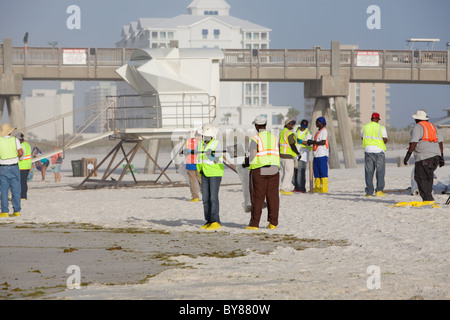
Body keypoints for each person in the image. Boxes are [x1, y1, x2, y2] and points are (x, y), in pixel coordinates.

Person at [403, 109, 444, 206]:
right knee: (428, 177)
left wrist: (407, 156)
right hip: (435, 156)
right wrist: (441, 156)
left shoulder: (417, 127)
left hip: (424, 157)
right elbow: (440, 141)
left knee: (420, 177)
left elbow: (414, 142)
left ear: (416, 119)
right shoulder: (433, 127)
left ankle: (427, 199)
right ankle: (428, 197)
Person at [246, 115, 280, 230]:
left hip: (260, 168)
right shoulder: (274, 137)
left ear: (256, 126)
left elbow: (253, 155)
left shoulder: (255, 139)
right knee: (273, 196)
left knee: (258, 196)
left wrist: (246, 162)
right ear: (265, 125)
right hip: (274, 168)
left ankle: (254, 224)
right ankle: (273, 223)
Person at [197, 124, 224, 231]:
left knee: (213, 198)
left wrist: (210, 155)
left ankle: (215, 221)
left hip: (214, 173)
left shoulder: (217, 144)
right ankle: (208, 220)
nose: (205, 137)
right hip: (203, 172)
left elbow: (217, 160)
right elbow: (198, 157)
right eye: (204, 135)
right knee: (205, 199)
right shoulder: (200, 144)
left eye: (207, 135)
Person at [361, 112, 388, 197]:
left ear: (371, 119)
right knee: (380, 172)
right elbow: (385, 140)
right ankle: (379, 191)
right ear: (378, 120)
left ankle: (369, 192)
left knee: (369, 172)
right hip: (379, 151)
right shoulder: (381, 128)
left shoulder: (364, 127)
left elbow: (362, 137)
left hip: (368, 151)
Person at [0, 123, 23, 218]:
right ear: (10, 131)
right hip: (14, 166)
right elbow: (20, 153)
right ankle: (17, 211)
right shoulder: (15, 140)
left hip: (3, 167)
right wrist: (15, 158)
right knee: (16, 190)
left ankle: (5, 212)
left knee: (4, 191)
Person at [307, 117, 329, 193]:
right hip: (316, 154)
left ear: (322, 123)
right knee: (316, 171)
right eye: (316, 122)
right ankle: (317, 187)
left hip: (322, 154)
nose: (316, 123)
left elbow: (322, 142)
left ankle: (324, 188)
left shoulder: (324, 131)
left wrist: (313, 142)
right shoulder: (318, 131)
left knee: (323, 171)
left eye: (318, 122)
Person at [279, 118, 300, 195]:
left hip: (281, 155)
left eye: (293, 124)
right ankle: (285, 189)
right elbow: (292, 145)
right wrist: (298, 153)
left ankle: (281, 187)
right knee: (289, 172)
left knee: (282, 172)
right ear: (287, 124)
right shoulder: (289, 133)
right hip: (287, 156)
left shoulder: (282, 132)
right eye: (291, 124)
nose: (293, 126)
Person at [293, 119, 312, 193]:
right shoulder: (296, 130)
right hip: (295, 154)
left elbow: (308, 143)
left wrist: (300, 141)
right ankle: (296, 187)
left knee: (301, 172)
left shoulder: (309, 133)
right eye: (302, 126)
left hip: (303, 155)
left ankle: (302, 188)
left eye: (304, 127)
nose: (303, 128)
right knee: (295, 171)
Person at [16, 133, 32, 200]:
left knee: (21, 182)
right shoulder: (27, 145)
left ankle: (22, 196)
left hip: (22, 166)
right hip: (27, 165)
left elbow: (21, 157)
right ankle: (23, 196)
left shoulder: (21, 146)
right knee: (24, 181)